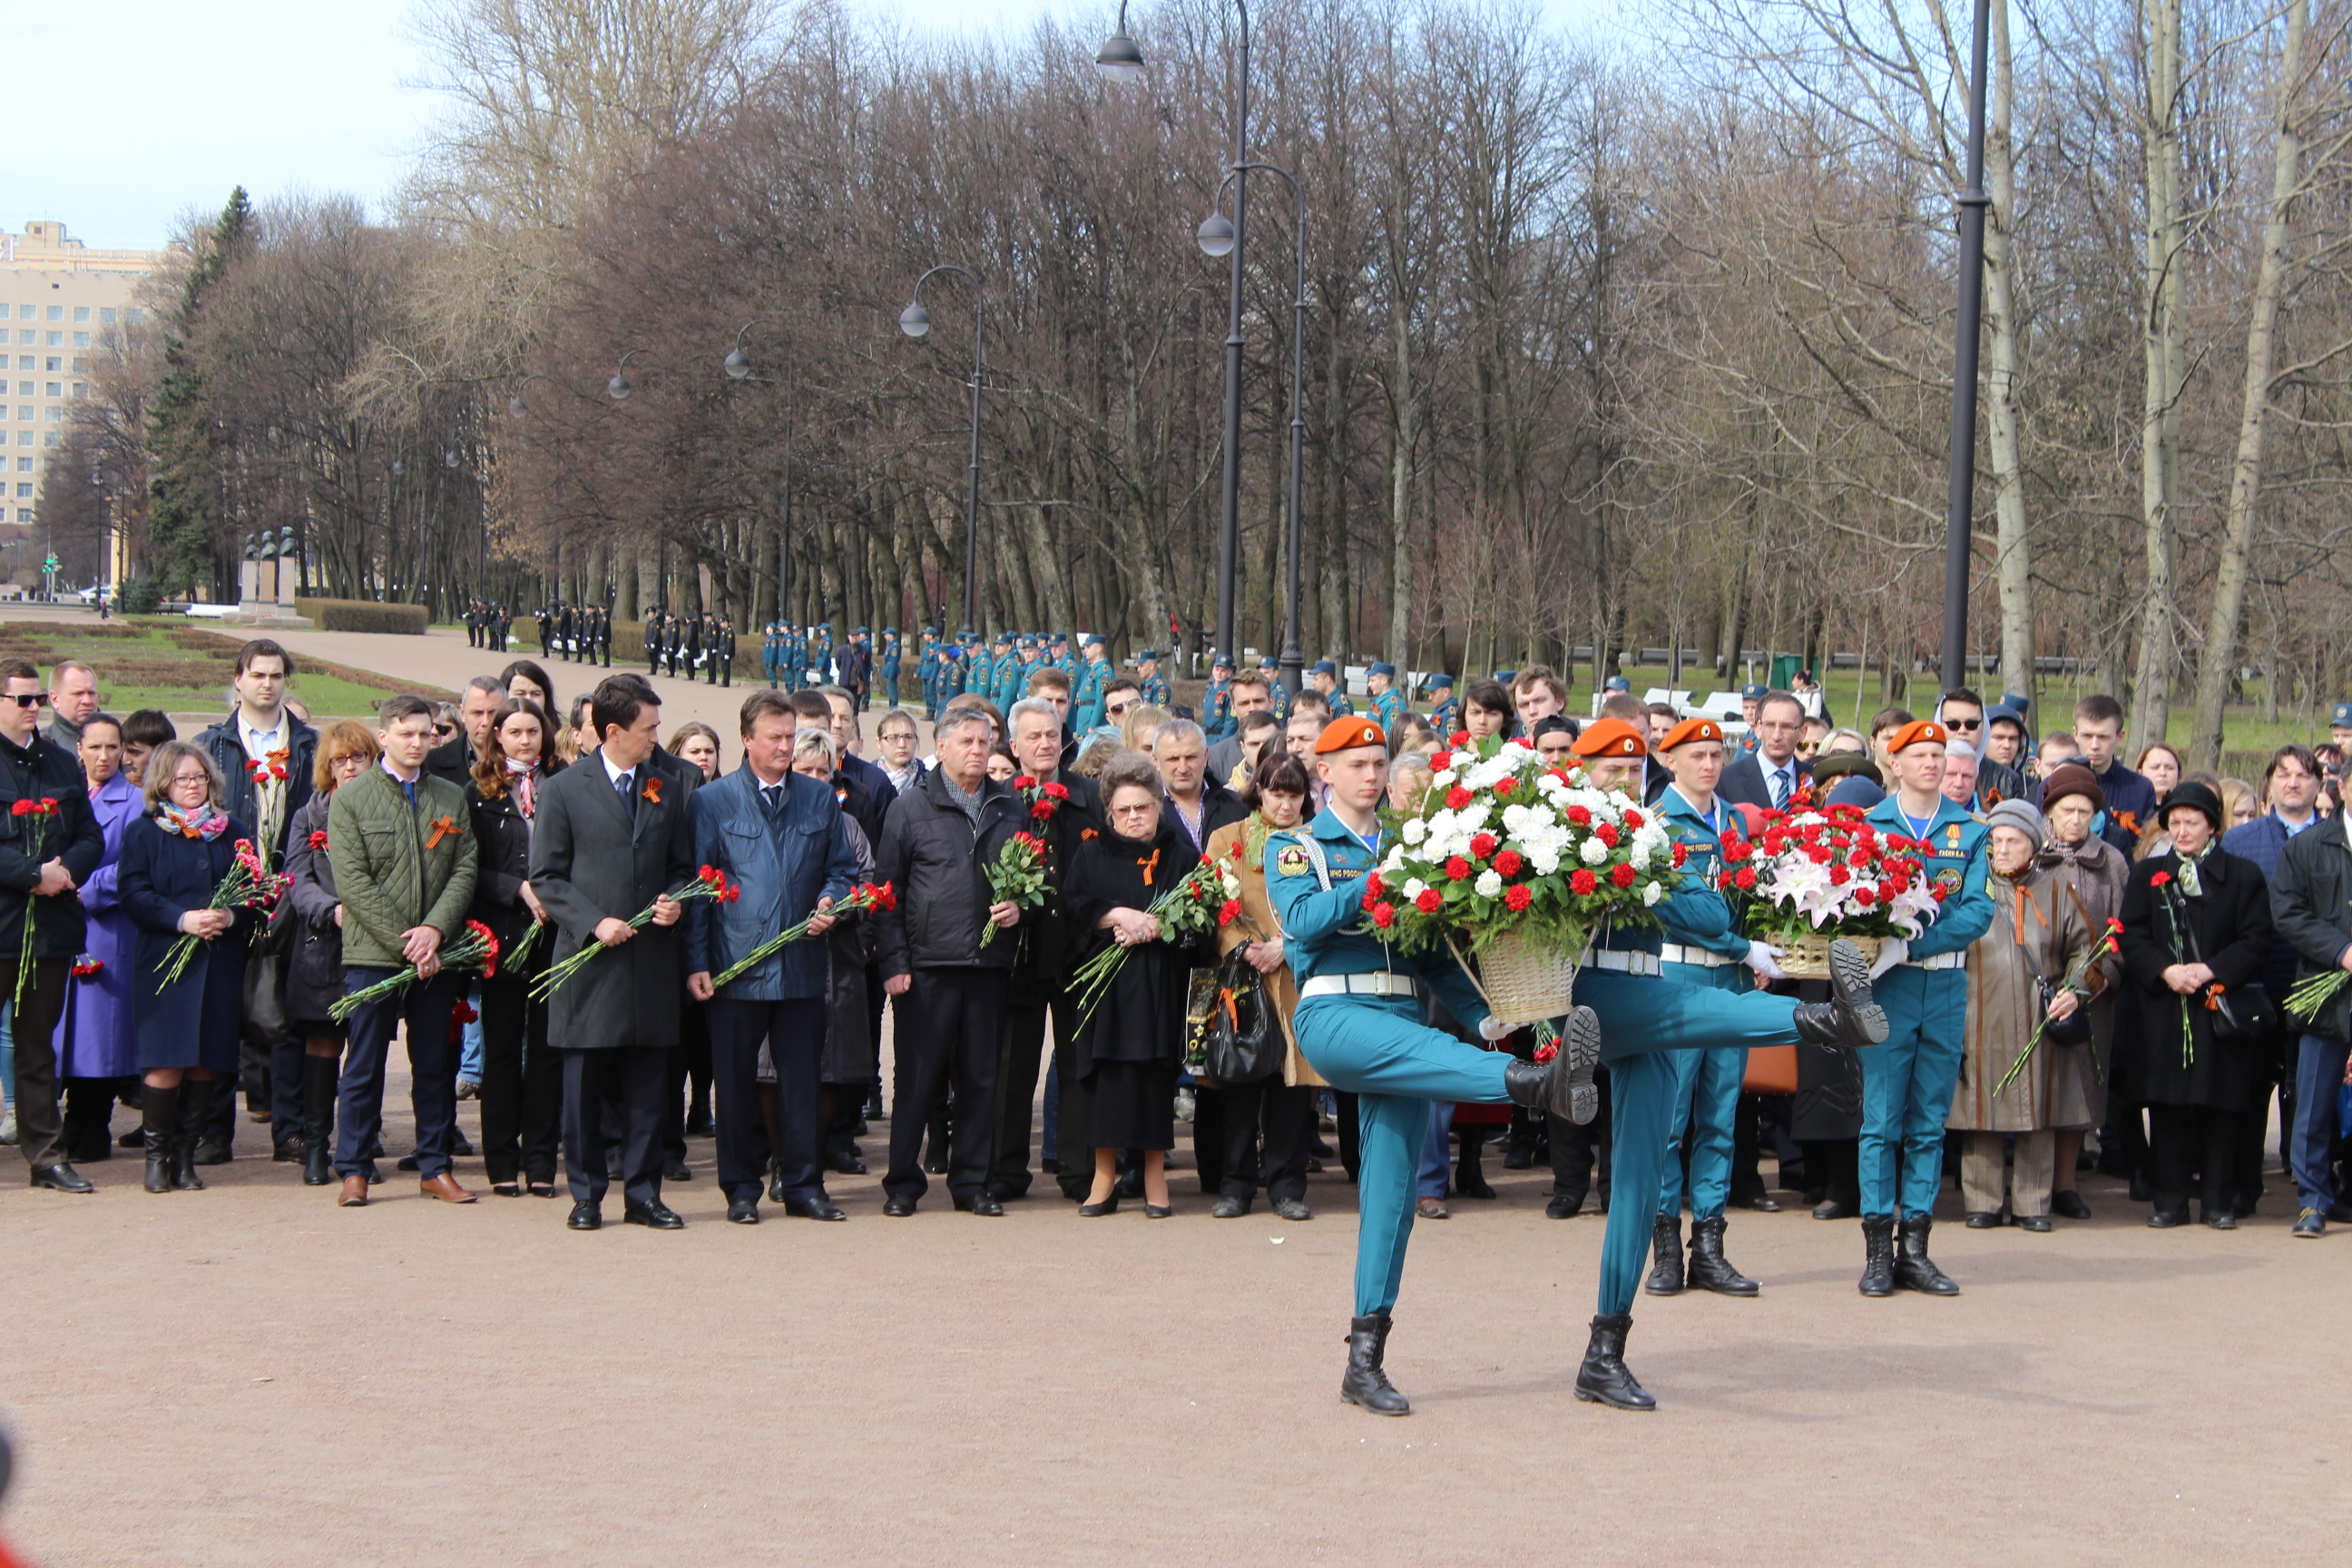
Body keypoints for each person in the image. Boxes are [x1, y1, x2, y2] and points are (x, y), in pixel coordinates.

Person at [530, 673, 699, 1231]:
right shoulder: (563, 789)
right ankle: (586, 1193)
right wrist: (591, 921)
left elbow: (679, 867)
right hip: (589, 964)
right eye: (648, 727)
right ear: (612, 731)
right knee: (582, 1088)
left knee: (650, 1087)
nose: (657, 736)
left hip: (649, 963)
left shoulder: (667, 787)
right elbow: (547, 876)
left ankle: (644, 1194)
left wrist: (674, 901)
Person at [685, 690, 859, 1224]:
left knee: (803, 1083)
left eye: (791, 736)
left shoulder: (817, 798)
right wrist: (696, 962)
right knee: (735, 1086)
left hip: (803, 966)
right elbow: (698, 887)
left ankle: (804, 1184)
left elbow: (843, 869)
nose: (786, 746)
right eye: (775, 737)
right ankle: (740, 1189)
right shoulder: (712, 802)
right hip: (736, 968)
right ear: (746, 740)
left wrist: (833, 899)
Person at [1643, 718, 1786, 1299]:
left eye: (1716, 754)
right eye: (1696, 755)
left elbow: (1745, 893)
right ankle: (1665, 1251)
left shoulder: (1731, 820)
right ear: (1669, 759)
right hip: (1678, 974)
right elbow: (1676, 909)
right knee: (1670, 1120)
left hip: (1727, 980)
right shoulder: (1657, 823)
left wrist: (1756, 944)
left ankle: (1710, 1246)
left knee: (1721, 1117)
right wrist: (1739, 945)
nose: (1709, 765)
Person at [324, 694, 480, 1209]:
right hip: (374, 954)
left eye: (427, 733)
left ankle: (434, 1165)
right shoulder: (349, 799)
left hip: (438, 955)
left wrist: (435, 930)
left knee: (434, 1064)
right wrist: (409, 941)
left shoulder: (450, 797)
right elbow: (353, 882)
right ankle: (354, 1167)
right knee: (364, 1064)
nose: (418, 742)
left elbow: (464, 869)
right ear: (384, 736)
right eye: (407, 733)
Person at [873, 706, 1027, 1217]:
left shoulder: (1010, 806)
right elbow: (886, 892)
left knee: (981, 1080)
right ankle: (902, 1183)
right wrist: (895, 960)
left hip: (988, 966)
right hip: (927, 967)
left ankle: (970, 1183)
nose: (978, 751)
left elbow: (1031, 877)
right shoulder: (911, 807)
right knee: (918, 1079)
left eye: (985, 742)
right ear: (940, 748)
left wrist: (1020, 909)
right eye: (966, 742)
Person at [1859, 720, 1994, 1296]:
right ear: (1895, 762)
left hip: (1941, 984)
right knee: (1881, 1119)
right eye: (1921, 754)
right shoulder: (1871, 826)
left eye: (1941, 754)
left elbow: (1977, 912)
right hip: (1888, 987)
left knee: (1929, 1120)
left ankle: (1915, 1246)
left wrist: (1911, 943)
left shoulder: (1970, 831)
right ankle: (1876, 1250)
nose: (1934, 763)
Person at [1061, 750, 1212, 1216]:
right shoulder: (1090, 854)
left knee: (1151, 1082)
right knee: (1104, 1084)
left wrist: (1157, 928)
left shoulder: (1183, 857)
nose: (1133, 817)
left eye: (1142, 807)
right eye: (1123, 810)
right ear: (1109, 813)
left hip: (1157, 989)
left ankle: (1152, 1174)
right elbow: (1073, 911)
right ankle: (1103, 1176)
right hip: (1104, 994)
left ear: (1157, 807)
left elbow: (1200, 929)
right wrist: (1115, 916)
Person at [2117, 782, 2272, 1229]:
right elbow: (2132, 933)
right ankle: (2171, 1199)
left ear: (2212, 827)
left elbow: (2256, 937)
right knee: (2166, 1105)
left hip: (2215, 1005)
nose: (2182, 831)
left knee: (2219, 1104)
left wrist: (2211, 970)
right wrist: (2166, 971)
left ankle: (2219, 1201)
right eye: (2175, 823)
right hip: (2165, 1007)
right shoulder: (2148, 875)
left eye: (2193, 822)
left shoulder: (2243, 875)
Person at [193, 637, 318, 1162]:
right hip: (231, 890)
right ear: (238, 680)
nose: (267, 684)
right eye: (257, 675)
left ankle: (289, 1129)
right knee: (222, 1010)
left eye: (276, 675)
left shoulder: (309, 744)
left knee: (285, 1012)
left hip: (291, 893)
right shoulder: (212, 743)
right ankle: (213, 1129)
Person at [1948, 799, 2098, 1230]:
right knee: (1981, 1110)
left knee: (2039, 1112)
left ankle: (2034, 1203)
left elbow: (2086, 950)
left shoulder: (2056, 891)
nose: (2002, 849)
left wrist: (2074, 989)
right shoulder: (1969, 890)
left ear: (2033, 846)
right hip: (1977, 1013)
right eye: (1995, 841)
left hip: (2039, 1018)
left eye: (2013, 840)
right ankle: (1983, 1202)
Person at [119, 741, 260, 1194]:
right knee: (165, 1062)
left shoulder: (231, 829)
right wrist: (182, 919)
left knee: (206, 1063)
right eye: (182, 779)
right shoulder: (144, 832)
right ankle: (157, 1159)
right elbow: (134, 895)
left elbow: (257, 894)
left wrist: (231, 916)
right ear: (163, 784)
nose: (193, 786)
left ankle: (185, 1157)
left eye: (199, 777)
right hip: (165, 962)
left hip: (219, 961)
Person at [0, 657, 107, 1192]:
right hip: (2, 925)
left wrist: (63, 872)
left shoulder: (63, 764)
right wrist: (29, 875)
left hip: (48, 931)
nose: (33, 709)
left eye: (36, 699)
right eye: (21, 700)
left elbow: (91, 836)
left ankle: (45, 1156)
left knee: (37, 1046)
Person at [994, 697, 1104, 1204]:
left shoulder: (1091, 797)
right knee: (1012, 1065)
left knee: (1079, 1064)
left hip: (1076, 952)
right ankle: (1006, 1169)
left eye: (1052, 734)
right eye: (1033, 736)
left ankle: (1080, 1170)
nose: (1044, 744)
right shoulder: (997, 802)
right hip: (1016, 953)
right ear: (1013, 746)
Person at [1202, 753, 1318, 1220]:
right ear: (1259, 791)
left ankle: (1287, 1187)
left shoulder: (1316, 841)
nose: (1286, 805)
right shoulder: (1228, 838)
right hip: (1243, 978)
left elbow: (1328, 905)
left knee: (1292, 1089)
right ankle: (1236, 1186)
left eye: (1294, 795)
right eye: (1276, 793)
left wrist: (1285, 947)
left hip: (1296, 977)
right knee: (1240, 1085)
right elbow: (1212, 901)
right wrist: (1246, 947)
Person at [466, 699, 562, 1199]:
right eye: (515, 731)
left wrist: (554, 891)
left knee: (548, 1051)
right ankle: (501, 1160)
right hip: (501, 938)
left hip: (555, 935)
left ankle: (541, 1160)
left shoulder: (563, 785)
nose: (525, 740)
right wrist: (517, 888)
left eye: (533, 731)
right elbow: (468, 867)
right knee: (501, 1052)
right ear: (496, 736)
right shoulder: (476, 793)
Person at [2254, 750, 2352, 1237]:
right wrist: (2342, 951)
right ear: (2343, 789)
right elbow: (2288, 912)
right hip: (2325, 991)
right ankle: (2312, 1199)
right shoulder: (2310, 846)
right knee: (2312, 1101)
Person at [281, 721, 377, 1187]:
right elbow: (297, 878)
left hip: (376, 945)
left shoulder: (386, 807)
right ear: (327, 767)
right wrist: (332, 910)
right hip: (324, 944)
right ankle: (316, 1146)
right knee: (323, 1045)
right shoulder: (309, 816)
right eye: (340, 759)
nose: (350, 766)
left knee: (367, 1048)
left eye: (358, 756)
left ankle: (359, 1145)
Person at [2037, 762, 2131, 1219]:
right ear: (2049, 811)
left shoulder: (2111, 861)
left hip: (2089, 992)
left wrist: (2098, 979)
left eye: (2085, 812)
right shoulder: (2029, 852)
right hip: (2031, 987)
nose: (2076, 820)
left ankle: (2066, 1184)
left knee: (2079, 1085)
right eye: (2066, 810)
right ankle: (2030, 1182)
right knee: (2035, 1085)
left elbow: (2122, 931)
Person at [55, 715, 141, 1166]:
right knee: (61, 1034)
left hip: (105, 929)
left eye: (113, 748)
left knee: (98, 1039)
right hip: (60, 927)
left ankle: (91, 1126)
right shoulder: (66, 794)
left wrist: (81, 890)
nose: (104, 756)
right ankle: (65, 1124)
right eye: (95, 748)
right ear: (80, 750)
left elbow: (132, 861)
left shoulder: (136, 801)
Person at [2072, 694, 2157, 839]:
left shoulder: (2141, 788)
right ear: (2075, 734)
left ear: (2120, 737)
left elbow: (2148, 845)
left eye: (2103, 737)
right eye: (2087, 736)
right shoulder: (2052, 785)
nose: (2095, 746)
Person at [1720, 691, 1810, 811]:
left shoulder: (1814, 779)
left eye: (1787, 727)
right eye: (1770, 725)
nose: (1777, 736)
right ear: (1758, 728)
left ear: (1802, 732)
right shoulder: (1727, 780)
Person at [426, 677, 505, 787]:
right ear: (462, 713)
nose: (485, 722)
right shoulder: (431, 764)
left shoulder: (523, 763)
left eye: (493, 713)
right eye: (477, 713)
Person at [44, 660, 99, 753]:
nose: (87, 701)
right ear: (55, 699)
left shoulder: (119, 740)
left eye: (91, 693)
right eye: (78, 693)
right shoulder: (41, 747)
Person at [1940, 740, 1982, 809]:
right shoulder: (1919, 817)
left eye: (1966, 776)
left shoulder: (1988, 819)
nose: (1959, 784)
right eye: (1951, 774)